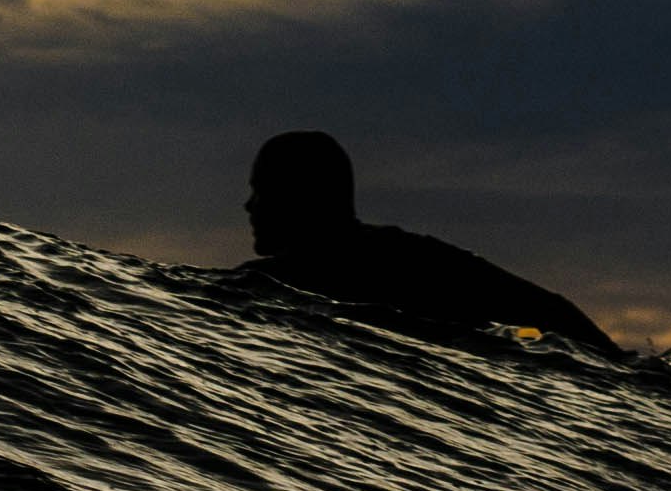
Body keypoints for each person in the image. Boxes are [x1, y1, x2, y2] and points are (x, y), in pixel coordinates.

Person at [243, 130, 616, 352]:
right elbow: (553, 310)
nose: (249, 205)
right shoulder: (414, 254)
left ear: (294, 194)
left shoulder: (270, 281)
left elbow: (550, 311)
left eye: (260, 190)